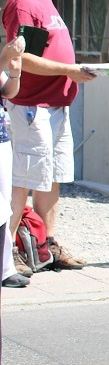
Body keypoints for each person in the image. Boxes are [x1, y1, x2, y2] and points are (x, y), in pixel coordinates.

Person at [2, 0, 97, 272]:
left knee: (52, 177)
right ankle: (8, 251)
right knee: (24, 179)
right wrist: (71, 70)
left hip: (54, 106)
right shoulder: (23, 1)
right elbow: (22, 57)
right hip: (33, 106)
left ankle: (45, 245)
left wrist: (70, 71)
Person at [0, 36, 29, 287]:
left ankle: (5, 268)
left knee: (4, 207)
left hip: (1, 139)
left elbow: (7, 92)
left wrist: (14, 75)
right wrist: (3, 59)